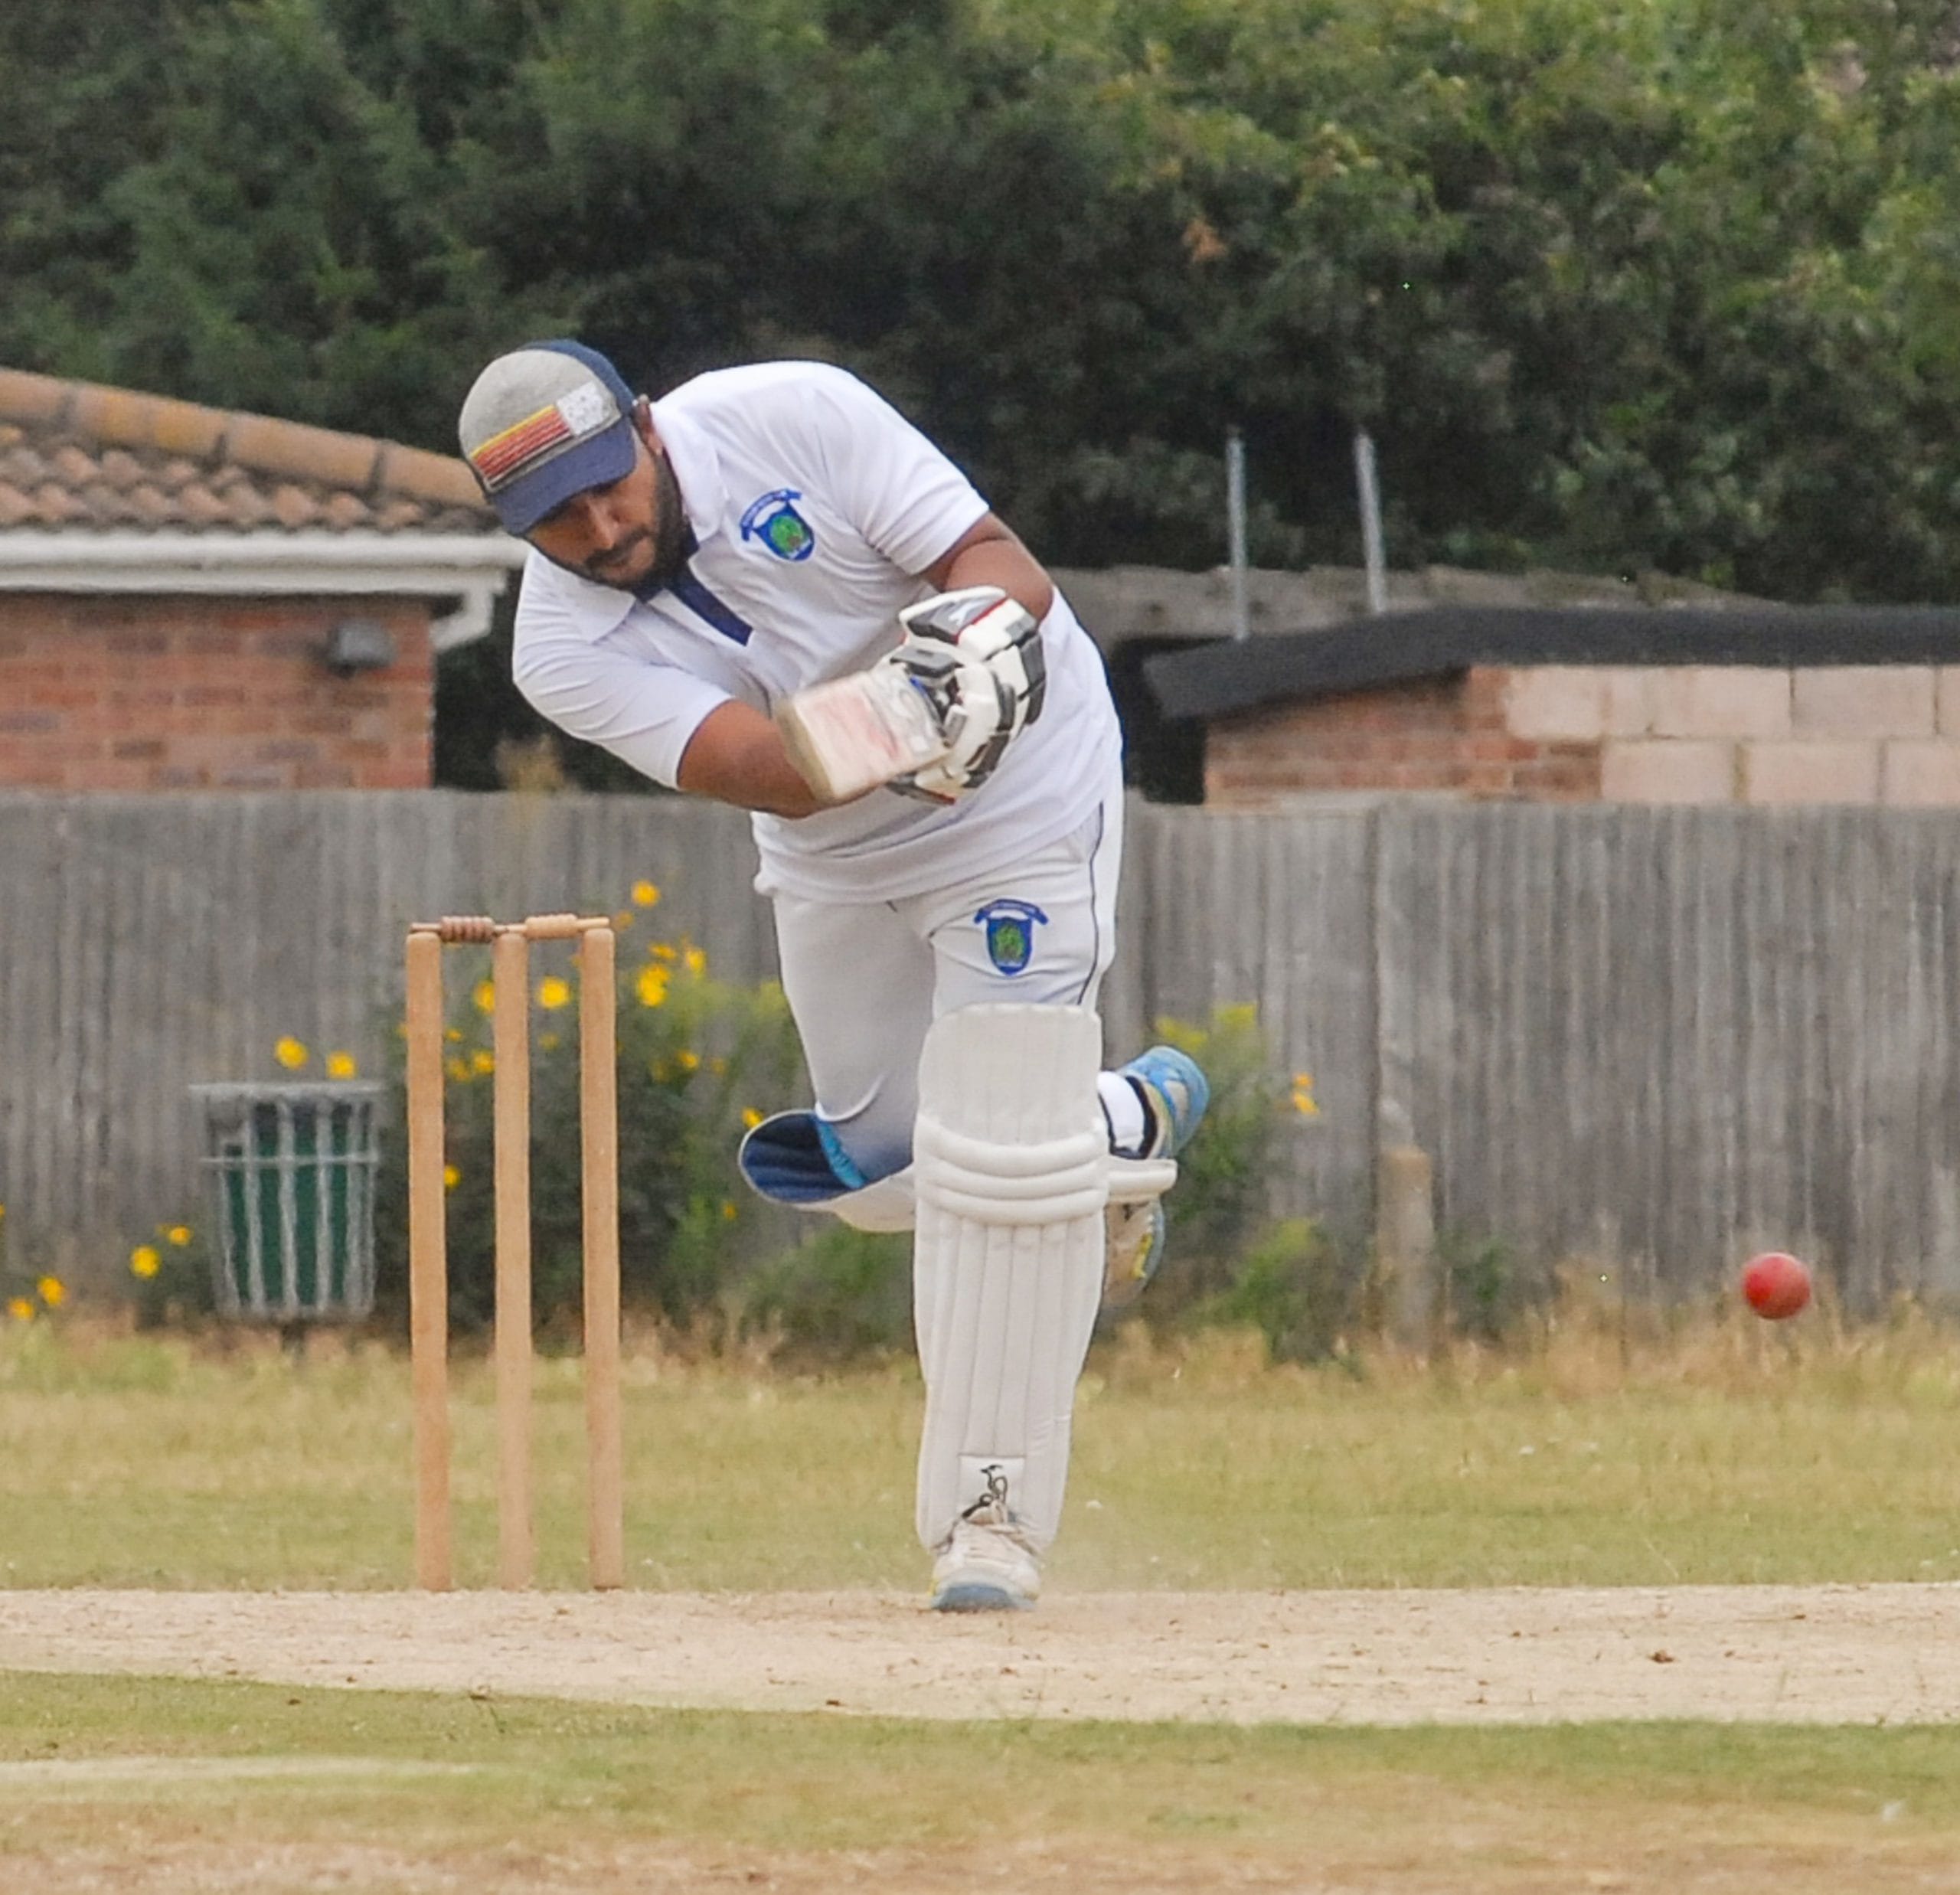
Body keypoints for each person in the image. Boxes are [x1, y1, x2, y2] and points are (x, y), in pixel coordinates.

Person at [456, 340, 1207, 1609]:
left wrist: (977, 656)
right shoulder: (559, 652)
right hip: (833, 848)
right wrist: (915, 715)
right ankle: (1119, 1120)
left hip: (1023, 797)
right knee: (875, 1169)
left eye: (607, 486)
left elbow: (1003, 568)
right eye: (558, 521)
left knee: (995, 1159)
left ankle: (991, 1525)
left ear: (644, 426)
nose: (599, 527)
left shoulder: (790, 413)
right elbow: (771, 772)